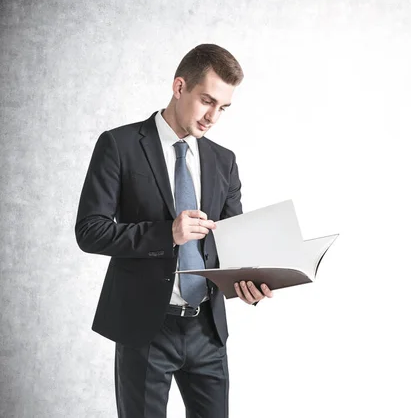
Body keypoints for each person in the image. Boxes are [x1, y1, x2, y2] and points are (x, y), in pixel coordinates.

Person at [75, 43, 273, 418]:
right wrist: (168, 232)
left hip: (207, 330)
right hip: (146, 328)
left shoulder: (223, 161)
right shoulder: (119, 145)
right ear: (179, 87)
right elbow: (90, 230)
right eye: (207, 101)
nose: (213, 116)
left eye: (223, 108)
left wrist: (250, 283)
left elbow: (232, 242)